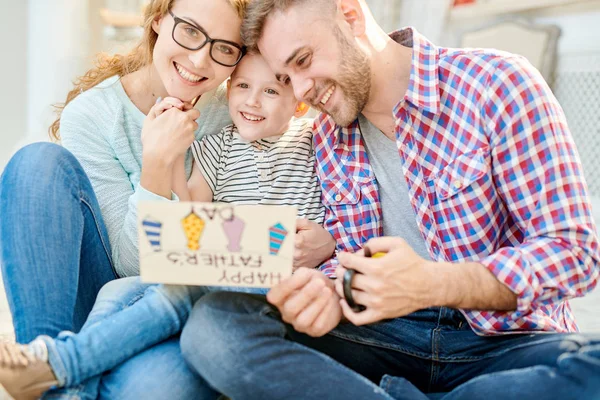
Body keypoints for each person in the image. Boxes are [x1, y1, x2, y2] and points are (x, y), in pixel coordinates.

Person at [178, 1, 600, 399]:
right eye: (287, 78)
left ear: (349, 14)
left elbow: (576, 254)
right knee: (217, 326)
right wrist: (328, 292)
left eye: (303, 61)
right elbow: (344, 259)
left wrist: (432, 284)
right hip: (383, 336)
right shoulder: (326, 135)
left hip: (502, 342)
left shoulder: (497, 83)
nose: (303, 92)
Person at [0, 0, 326, 398]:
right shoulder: (93, 115)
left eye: (223, 48)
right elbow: (140, 262)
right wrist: (157, 162)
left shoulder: (242, 112)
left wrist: (326, 241)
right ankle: (45, 365)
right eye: (190, 30)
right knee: (36, 164)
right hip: (127, 280)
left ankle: (74, 373)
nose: (200, 59)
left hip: (207, 297)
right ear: (157, 20)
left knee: (157, 389)